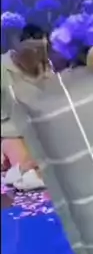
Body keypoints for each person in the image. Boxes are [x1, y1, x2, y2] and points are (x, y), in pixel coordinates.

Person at [1, 23, 51, 191]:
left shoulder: (46, 68)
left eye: (43, 51)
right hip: (10, 132)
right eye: (34, 51)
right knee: (27, 168)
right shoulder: (2, 68)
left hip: (40, 130)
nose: (39, 57)